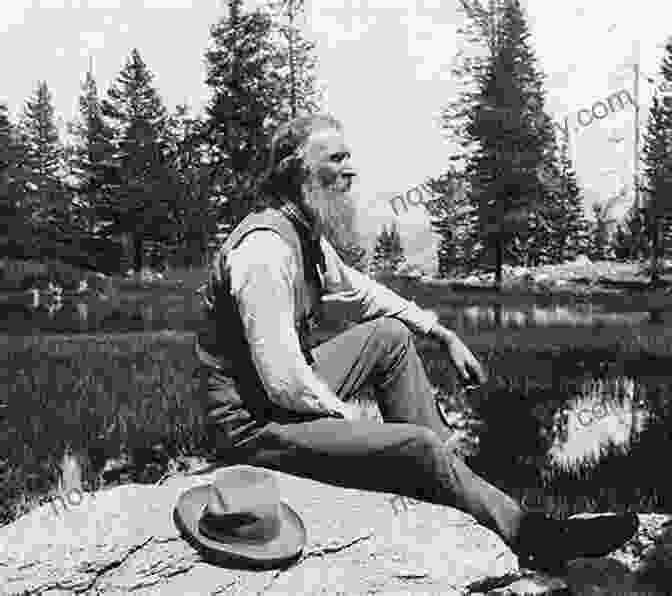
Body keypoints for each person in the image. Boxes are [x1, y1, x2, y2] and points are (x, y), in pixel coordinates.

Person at [195, 113, 638, 572]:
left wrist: (442, 334)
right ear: (297, 171)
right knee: (416, 446)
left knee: (390, 336)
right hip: (252, 426)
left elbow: (363, 294)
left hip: (276, 399)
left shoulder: (303, 235)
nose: (351, 170)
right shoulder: (265, 251)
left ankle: (448, 474)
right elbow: (285, 382)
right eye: (337, 159)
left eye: (350, 158)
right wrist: (358, 427)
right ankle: (533, 534)